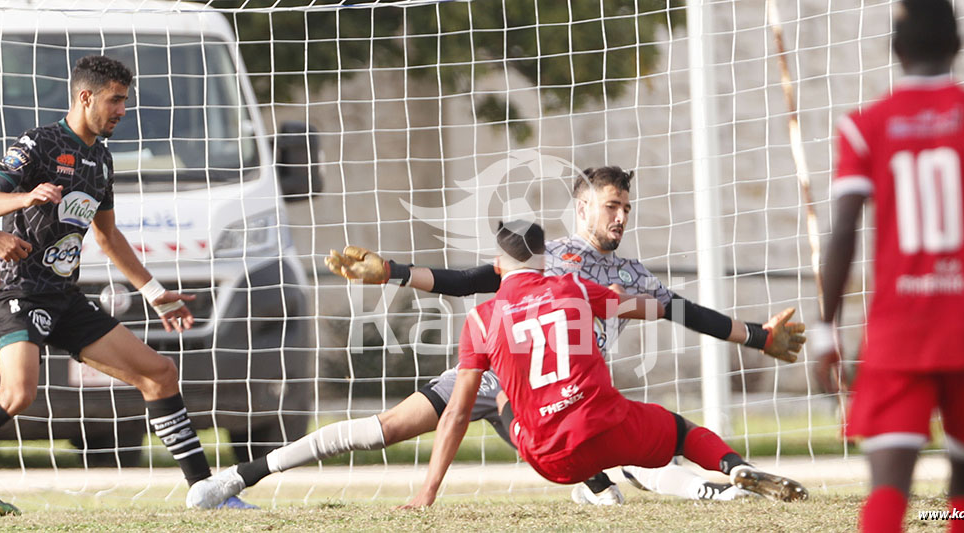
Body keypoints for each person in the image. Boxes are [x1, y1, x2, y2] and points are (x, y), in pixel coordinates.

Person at [188, 166, 807, 508]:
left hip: (547, 394)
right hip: (492, 376)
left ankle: (690, 489)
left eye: (627, 209)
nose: (620, 217)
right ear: (583, 208)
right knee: (380, 431)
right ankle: (238, 479)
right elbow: (468, 279)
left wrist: (757, 335)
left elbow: (683, 311)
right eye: (611, 205)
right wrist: (394, 272)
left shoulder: (629, 275)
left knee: (609, 453)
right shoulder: (547, 256)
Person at [814, 1, 964, 531]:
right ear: (959, 46)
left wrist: (826, 327)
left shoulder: (864, 128)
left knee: (888, 487)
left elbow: (843, 231)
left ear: (895, 50)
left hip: (898, 333)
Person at [0, 55, 255, 512]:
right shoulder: (38, 142)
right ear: (85, 96)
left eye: (125, 101)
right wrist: (16, 209)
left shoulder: (100, 158)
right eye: (115, 100)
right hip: (17, 291)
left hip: (63, 297)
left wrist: (154, 293)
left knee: (159, 374)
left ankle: (207, 494)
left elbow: (107, 235)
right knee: (18, 394)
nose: (122, 110)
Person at [401, 220, 807, 508]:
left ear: (497, 263)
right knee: (682, 431)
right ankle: (734, 467)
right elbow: (650, 309)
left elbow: (456, 413)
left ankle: (597, 488)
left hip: (551, 458)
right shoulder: (574, 285)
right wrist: (612, 299)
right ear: (545, 258)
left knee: (503, 396)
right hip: (608, 426)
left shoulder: (480, 319)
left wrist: (428, 491)